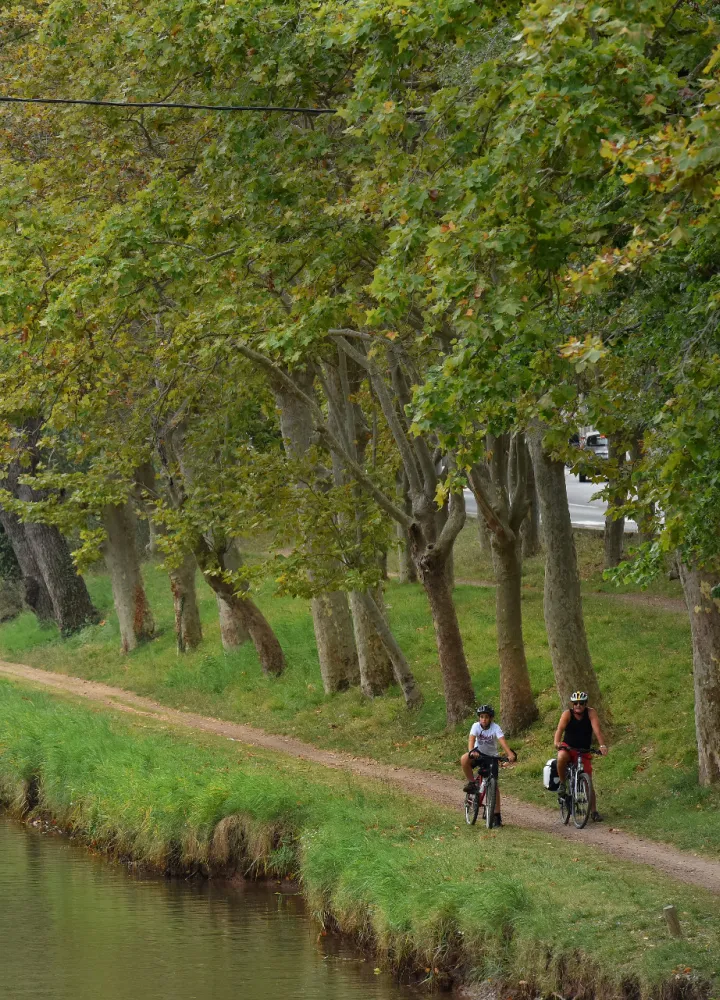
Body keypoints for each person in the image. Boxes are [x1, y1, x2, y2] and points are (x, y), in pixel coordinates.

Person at [553, 690, 608, 822]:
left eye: (581, 703)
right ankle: (562, 783)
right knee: (561, 757)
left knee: (588, 780)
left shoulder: (591, 713)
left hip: (583, 750)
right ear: (572, 704)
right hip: (568, 747)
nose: (578, 705)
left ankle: (594, 811)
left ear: (585, 704)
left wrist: (602, 745)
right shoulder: (567, 714)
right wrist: (557, 742)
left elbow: (597, 730)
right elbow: (559, 730)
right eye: (576, 703)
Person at [461, 704, 517, 827]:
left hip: (492, 756)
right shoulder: (476, 726)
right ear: (479, 718)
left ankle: (496, 816)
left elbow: (502, 741)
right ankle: (472, 783)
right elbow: (471, 740)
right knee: (464, 759)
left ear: (491, 718)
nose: (484, 719)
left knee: (494, 785)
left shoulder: (495, 728)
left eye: (486, 717)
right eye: (481, 717)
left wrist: (509, 754)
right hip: (478, 754)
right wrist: (472, 752)